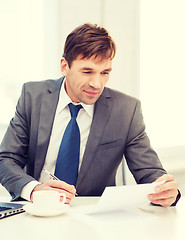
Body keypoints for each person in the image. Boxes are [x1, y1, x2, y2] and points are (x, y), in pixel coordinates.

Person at [0, 23, 180, 207]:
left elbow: (150, 173)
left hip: (95, 218)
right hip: (39, 210)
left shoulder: (126, 110)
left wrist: (165, 191)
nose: (97, 84)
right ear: (64, 66)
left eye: (105, 73)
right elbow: (6, 160)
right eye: (87, 71)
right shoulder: (33, 96)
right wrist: (34, 190)